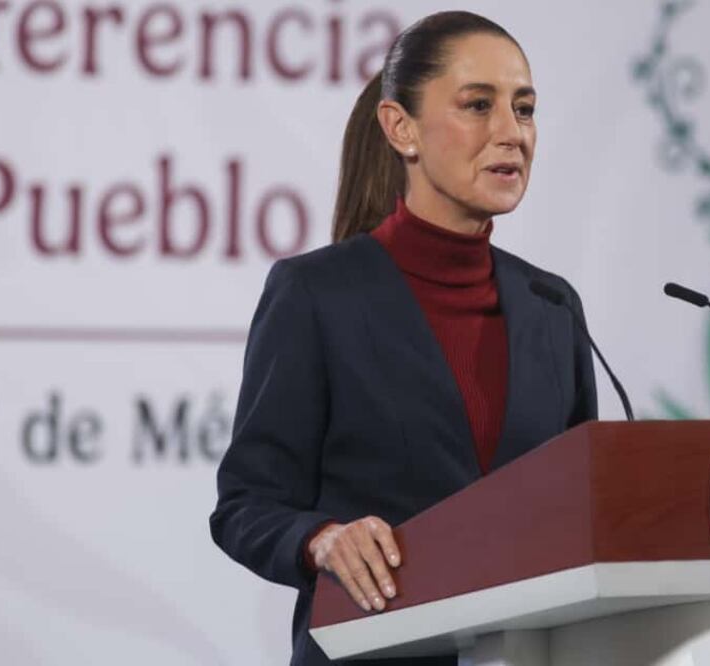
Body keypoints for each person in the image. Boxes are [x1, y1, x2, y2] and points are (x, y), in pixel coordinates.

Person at [209, 11, 597, 666]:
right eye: (478, 105)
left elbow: (584, 506)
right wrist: (321, 540)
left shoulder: (551, 305)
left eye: (524, 109)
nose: (511, 133)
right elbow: (245, 506)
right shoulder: (316, 294)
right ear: (401, 128)